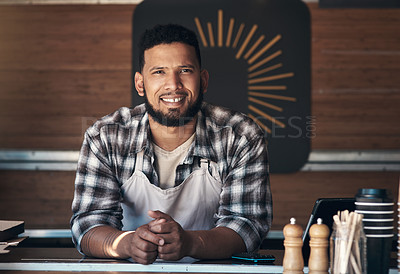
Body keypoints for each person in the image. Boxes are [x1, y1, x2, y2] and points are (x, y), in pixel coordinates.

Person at [70, 24, 272, 265]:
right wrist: (127, 243)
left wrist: (190, 243)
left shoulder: (240, 136)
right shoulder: (105, 137)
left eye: (185, 70)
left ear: (203, 80)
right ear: (140, 83)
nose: (173, 84)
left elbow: (247, 226)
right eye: (159, 72)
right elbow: (88, 225)